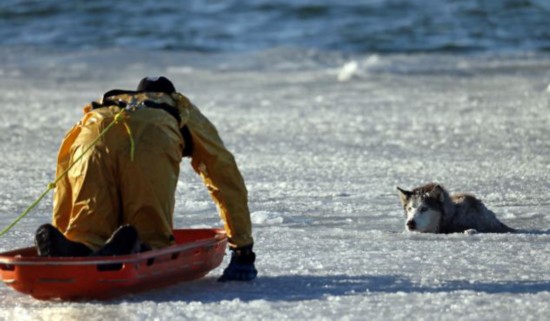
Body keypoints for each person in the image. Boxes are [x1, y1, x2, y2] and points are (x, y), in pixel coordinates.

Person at [34, 76, 257, 282]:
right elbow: (224, 175)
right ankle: (139, 246)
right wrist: (242, 248)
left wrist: (63, 229)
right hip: (150, 139)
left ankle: (77, 247)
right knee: (150, 235)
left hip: (92, 136)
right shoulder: (179, 107)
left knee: (87, 231)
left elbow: (65, 172)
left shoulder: (104, 105)